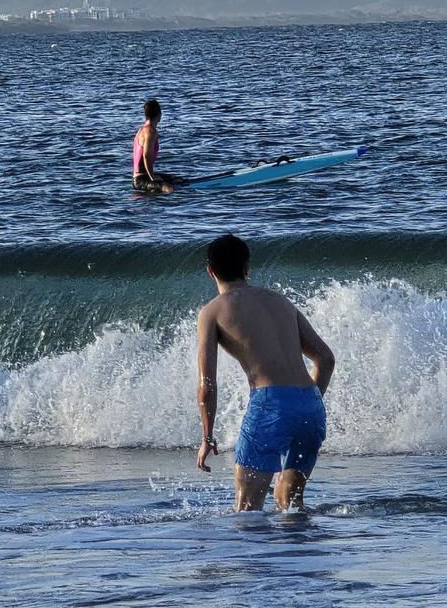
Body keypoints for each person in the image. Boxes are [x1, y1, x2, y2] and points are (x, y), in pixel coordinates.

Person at [196, 233, 335, 512]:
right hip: (310, 405)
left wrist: (207, 437)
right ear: (247, 268)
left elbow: (207, 386)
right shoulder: (280, 301)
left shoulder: (211, 313)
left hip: (270, 405)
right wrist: (306, 403)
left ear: (210, 271)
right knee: (290, 505)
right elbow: (326, 358)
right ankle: (304, 554)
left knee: (248, 512)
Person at [132, 99, 175, 193]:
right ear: (159, 115)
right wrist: (152, 177)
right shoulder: (150, 131)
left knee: (177, 180)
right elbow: (146, 155)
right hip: (141, 180)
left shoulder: (141, 130)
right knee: (169, 189)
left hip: (143, 177)